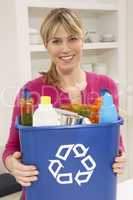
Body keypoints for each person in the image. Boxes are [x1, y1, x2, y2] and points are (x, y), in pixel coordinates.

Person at [3, 8, 126, 200]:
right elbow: (11, 148)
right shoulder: (30, 92)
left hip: (91, 193)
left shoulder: (105, 87)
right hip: (44, 193)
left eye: (72, 38)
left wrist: (120, 158)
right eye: (56, 41)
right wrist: (14, 165)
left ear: (83, 39)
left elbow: (115, 143)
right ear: (46, 45)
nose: (65, 48)